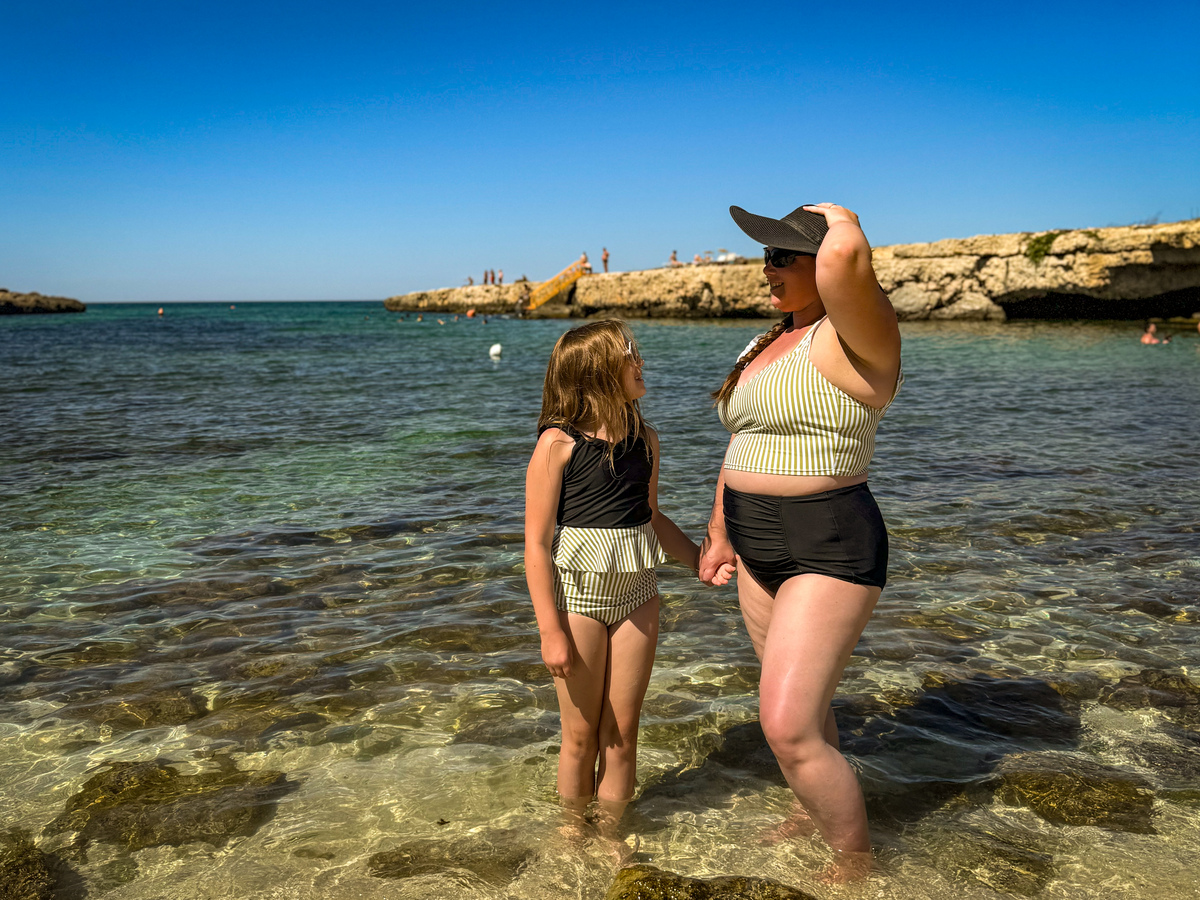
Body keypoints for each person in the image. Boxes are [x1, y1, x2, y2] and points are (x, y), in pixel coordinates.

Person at [699, 202, 903, 882]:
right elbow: (742, 438)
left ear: (820, 262)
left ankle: (855, 865)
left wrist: (838, 215)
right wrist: (720, 531)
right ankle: (809, 812)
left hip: (830, 542)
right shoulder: (763, 343)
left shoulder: (860, 340)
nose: (769, 267)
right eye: (767, 255)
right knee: (806, 714)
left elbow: (847, 256)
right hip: (755, 540)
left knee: (785, 726)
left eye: (785, 255)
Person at [525, 320, 730, 850]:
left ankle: (612, 838)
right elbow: (536, 544)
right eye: (630, 354)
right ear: (596, 372)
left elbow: (652, 517)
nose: (642, 362)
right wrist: (550, 630)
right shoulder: (557, 445)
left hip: (638, 596)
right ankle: (571, 840)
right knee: (579, 736)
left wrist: (700, 562)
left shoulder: (647, 439)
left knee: (621, 733)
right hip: (579, 601)